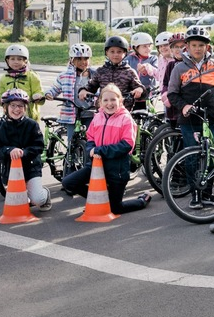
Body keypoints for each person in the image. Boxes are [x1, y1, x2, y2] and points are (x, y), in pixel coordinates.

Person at [166, 25, 214, 209]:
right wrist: (184, 106)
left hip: (210, 118)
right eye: (194, 45)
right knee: (193, 157)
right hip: (190, 120)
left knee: (212, 155)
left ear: (207, 47)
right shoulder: (179, 68)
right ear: (186, 46)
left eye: (201, 45)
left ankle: (208, 194)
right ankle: (195, 195)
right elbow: (172, 94)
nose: (197, 48)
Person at [61, 83, 152, 213]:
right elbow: (90, 137)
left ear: (120, 101)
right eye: (106, 100)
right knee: (68, 182)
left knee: (116, 209)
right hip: (96, 166)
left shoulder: (126, 119)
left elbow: (127, 145)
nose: (109, 103)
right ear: (100, 102)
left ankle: (142, 200)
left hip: (117, 170)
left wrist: (100, 151)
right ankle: (99, 199)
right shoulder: (97, 117)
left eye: (113, 99)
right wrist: (91, 149)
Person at [0, 89, 51, 212]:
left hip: (31, 168)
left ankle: (45, 194)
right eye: (13, 105)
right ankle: (26, 195)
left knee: (38, 200)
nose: (17, 109)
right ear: (5, 107)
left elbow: (39, 146)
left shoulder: (32, 125)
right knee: (18, 201)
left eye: (21, 106)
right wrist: (8, 150)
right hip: (11, 171)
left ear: (25, 108)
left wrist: (24, 152)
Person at [39, 43, 94, 146]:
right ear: (72, 60)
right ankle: (70, 159)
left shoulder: (94, 75)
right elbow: (55, 88)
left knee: (91, 140)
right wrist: (49, 94)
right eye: (79, 59)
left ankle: (87, 160)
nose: (83, 62)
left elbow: (101, 89)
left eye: (85, 59)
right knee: (72, 142)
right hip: (71, 114)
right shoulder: (64, 76)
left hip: (90, 113)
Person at [79, 35, 144, 103]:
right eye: (112, 51)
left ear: (125, 53)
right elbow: (91, 86)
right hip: (103, 109)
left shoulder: (129, 72)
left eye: (119, 52)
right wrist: (83, 90)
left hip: (122, 110)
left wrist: (140, 89)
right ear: (107, 53)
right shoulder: (101, 71)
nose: (115, 55)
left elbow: (139, 88)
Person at [0, 43, 44, 121]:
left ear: (25, 61)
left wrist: (38, 96)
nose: (16, 62)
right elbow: (2, 94)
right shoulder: (4, 78)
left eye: (19, 59)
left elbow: (39, 92)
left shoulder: (32, 76)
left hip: (28, 116)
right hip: (10, 115)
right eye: (12, 59)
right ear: (7, 60)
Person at [125, 31, 157, 104]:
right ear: (136, 48)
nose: (148, 49)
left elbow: (156, 72)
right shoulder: (129, 59)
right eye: (144, 46)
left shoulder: (153, 58)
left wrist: (146, 70)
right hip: (132, 93)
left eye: (149, 46)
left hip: (148, 94)